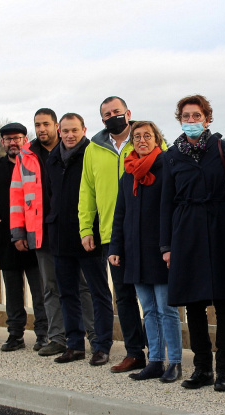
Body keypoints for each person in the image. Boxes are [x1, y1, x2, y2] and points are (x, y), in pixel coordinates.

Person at [160, 94, 225, 392]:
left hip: (222, 228)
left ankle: (224, 368)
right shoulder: (171, 156)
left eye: (196, 116)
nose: (191, 121)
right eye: (186, 116)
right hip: (186, 232)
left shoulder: (224, 149)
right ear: (180, 120)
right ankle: (202, 368)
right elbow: (165, 204)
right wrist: (167, 246)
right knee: (193, 303)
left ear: (207, 118)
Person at [9, 108, 96, 356]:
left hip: (75, 227)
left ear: (56, 126)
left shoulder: (72, 151)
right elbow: (16, 196)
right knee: (50, 287)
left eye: (46, 124)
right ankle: (57, 337)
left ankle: (95, 335)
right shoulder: (26, 156)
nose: (41, 129)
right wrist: (18, 232)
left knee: (83, 285)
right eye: (37, 125)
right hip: (41, 230)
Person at [108, 121, 183, 383]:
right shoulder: (128, 173)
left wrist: (170, 247)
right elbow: (120, 213)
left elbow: (172, 212)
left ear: (157, 139)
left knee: (166, 309)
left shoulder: (167, 167)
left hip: (160, 250)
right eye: (137, 136)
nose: (141, 140)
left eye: (147, 136)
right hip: (134, 251)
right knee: (148, 310)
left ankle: (174, 361)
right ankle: (155, 361)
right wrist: (115, 247)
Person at [80, 96, 148, 373]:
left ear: (128, 113)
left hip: (145, 233)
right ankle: (134, 352)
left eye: (117, 112)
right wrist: (86, 228)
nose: (112, 117)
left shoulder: (146, 139)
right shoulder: (93, 149)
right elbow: (87, 192)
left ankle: (158, 351)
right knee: (123, 296)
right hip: (111, 234)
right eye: (107, 114)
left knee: (153, 298)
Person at [45, 113, 115, 366]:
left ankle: (101, 345)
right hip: (60, 235)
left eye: (75, 130)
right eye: (65, 130)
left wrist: (92, 230)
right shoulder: (53, 159)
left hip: (89, 235)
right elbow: (50, 194)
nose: (70, 135)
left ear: (84, 130)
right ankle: (74, 344)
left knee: (98, 292)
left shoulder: (92, 153)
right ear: (59, 131)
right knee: (67, 293)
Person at [0, 122, 47, 352]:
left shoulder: (34, 163)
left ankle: (43, 333)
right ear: (2, 142)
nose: (13, 143)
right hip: (6, 238)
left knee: (40, 290)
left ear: (25, 139)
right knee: (12, 291)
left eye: (18, 138)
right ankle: (15, 334)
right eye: (8, 139)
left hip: (34, 236)